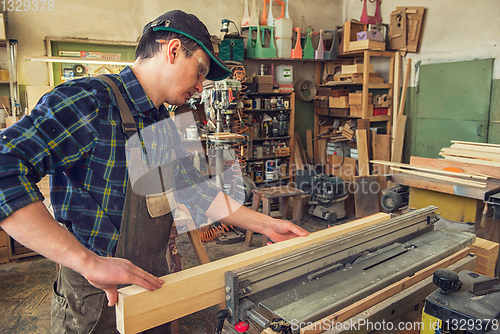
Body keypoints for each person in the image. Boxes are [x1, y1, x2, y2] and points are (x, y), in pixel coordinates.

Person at [0, 10, 309, 333]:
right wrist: (85, 261)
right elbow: (4, 168)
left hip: (150, 287)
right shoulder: (89, 100)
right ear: (173, 50)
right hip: (94, 300)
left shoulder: (164, 122)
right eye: (200, 71)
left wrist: (267, 224)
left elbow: (193, 191)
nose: (201, 87)